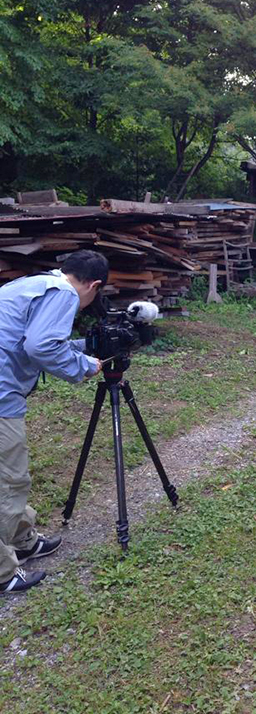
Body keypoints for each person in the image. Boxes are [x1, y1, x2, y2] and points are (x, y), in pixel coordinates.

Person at [0, 250, 108, 594]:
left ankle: (23, 541)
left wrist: (86, 347)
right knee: (10, 479)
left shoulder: (35, 284)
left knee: (11, 474)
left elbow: (31, 340)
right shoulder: (64, 295)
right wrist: (85, 367)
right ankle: (2, 572)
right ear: (94, 285)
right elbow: (42, 346)